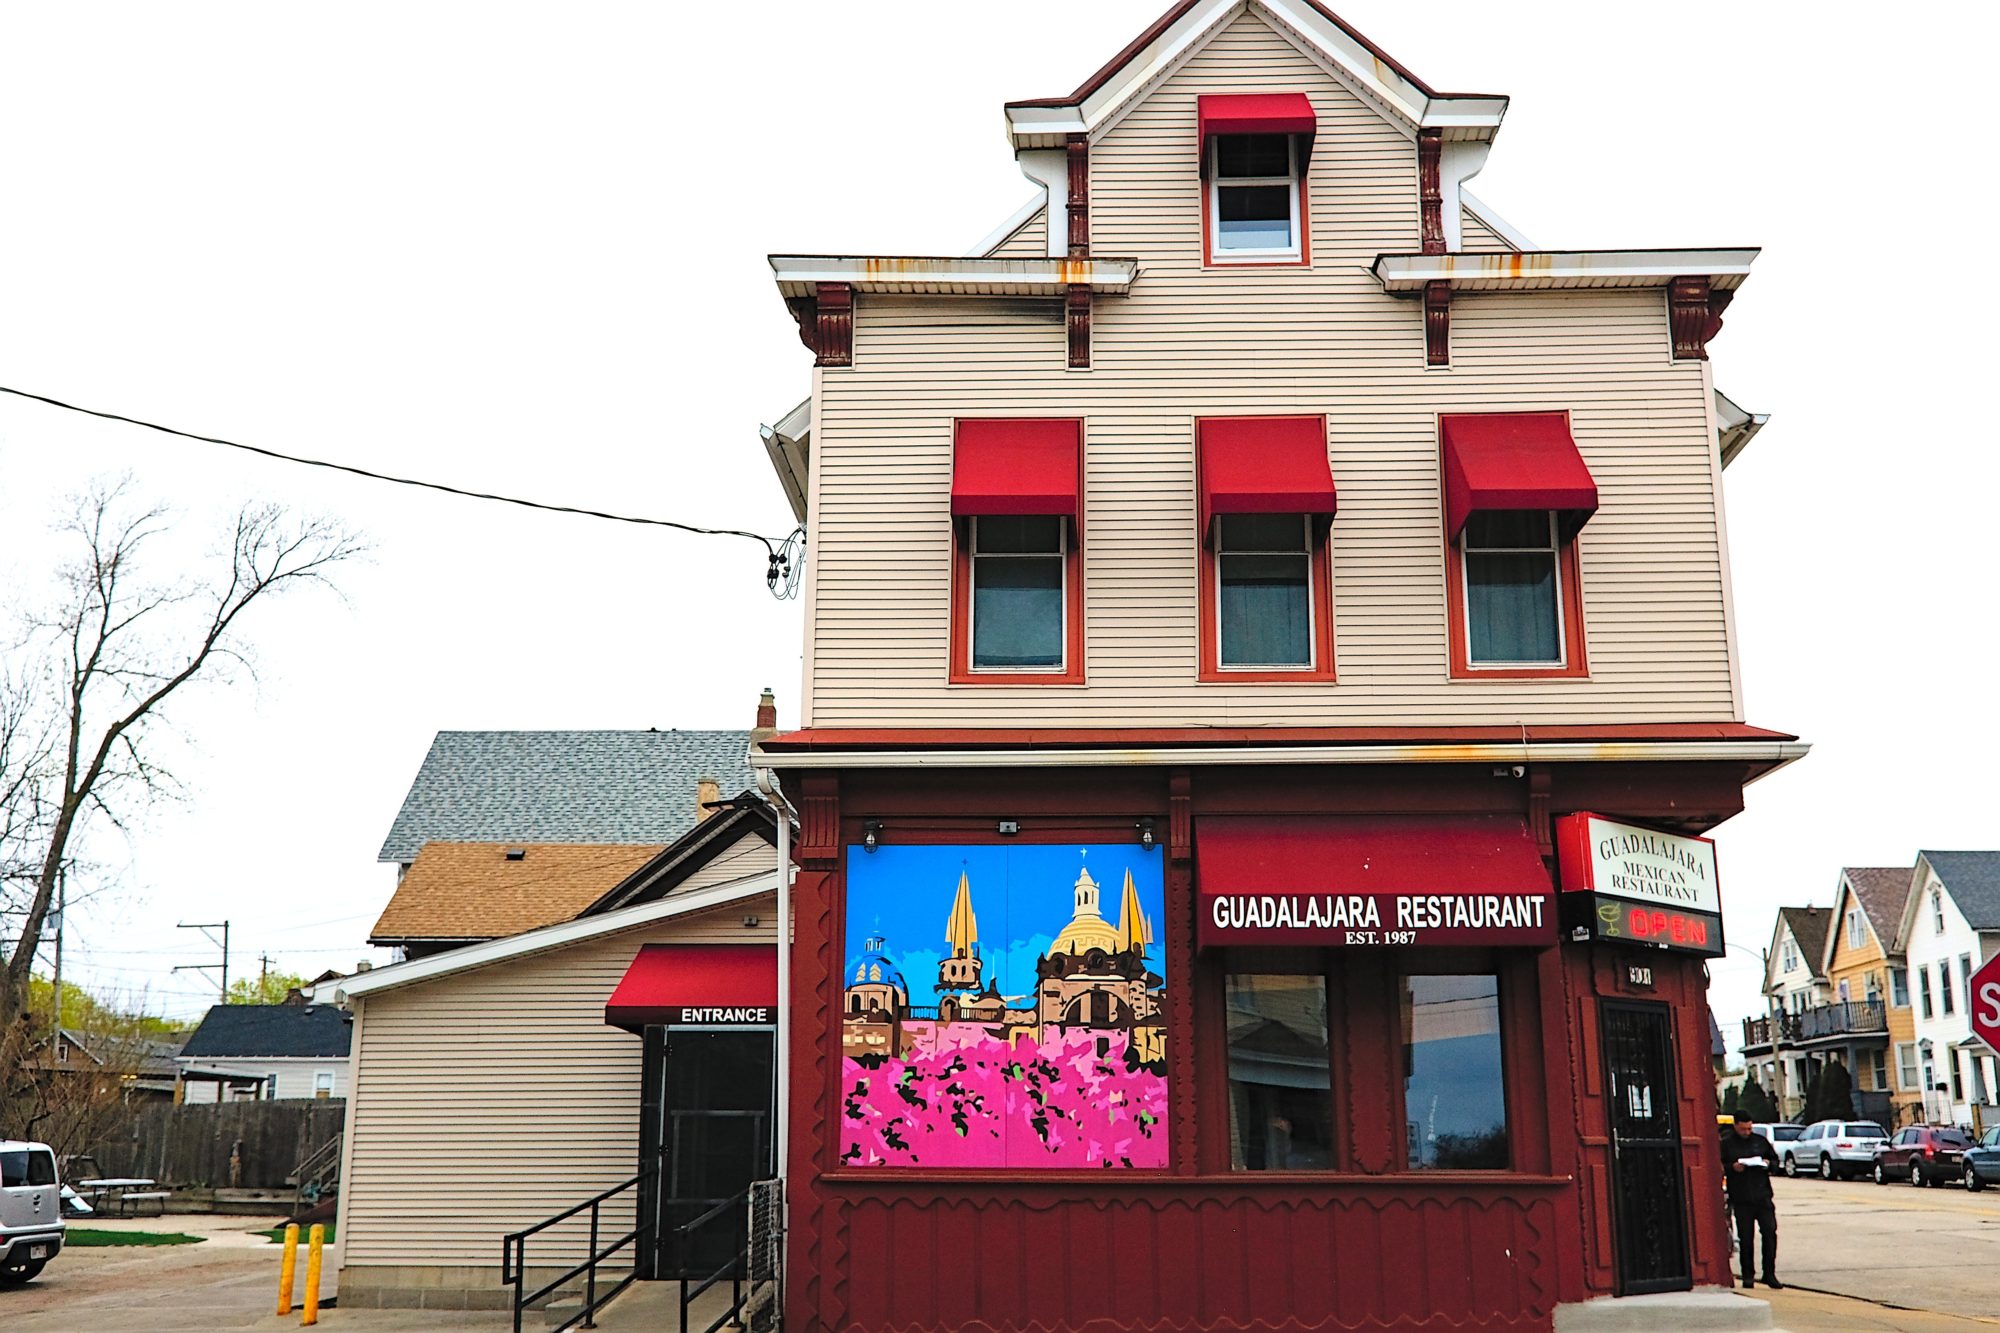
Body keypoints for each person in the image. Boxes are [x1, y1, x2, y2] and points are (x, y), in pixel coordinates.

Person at [1721, 1115, 1782, 1289]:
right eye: (1743, 1129)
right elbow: (1718, 1165)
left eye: (1749, 1128)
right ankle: (1748, 1275)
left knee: (1770, 1233)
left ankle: (1769, 1273)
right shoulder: (1727, 1144)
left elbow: (1775, 1161)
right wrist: (1732, 1168)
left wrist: (1768, 1164)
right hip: (1741, 1198)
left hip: (1763, 1195)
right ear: (1735, 1126)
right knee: (1746, 1238)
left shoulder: (1760, 1141)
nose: (1747, 1132)